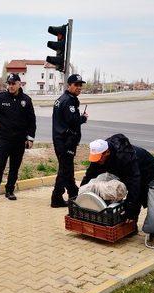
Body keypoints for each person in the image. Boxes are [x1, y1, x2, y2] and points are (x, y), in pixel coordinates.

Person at [0, 73, 36, 203]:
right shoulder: (1, 98)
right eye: (9, 83)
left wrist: (30, 138)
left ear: (19, 84)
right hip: (5, 139)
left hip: (20, 140)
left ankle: (10, 190)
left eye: (13, 83)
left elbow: (31, 121)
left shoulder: (26, 100)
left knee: (14, 167)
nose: (11, 86)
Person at [80, 134, 154, 221]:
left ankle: (132, 223)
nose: (97, 161)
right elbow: (90, 173)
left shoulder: (124, 156)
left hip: (146, 167)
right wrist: (81, 192)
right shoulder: (100, 154)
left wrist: (130, 208)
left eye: (99, 158)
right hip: (127, 168)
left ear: (107, 152)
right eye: (95, 158)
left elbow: (134, 183)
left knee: (139, 194)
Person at [51, 74, 89, 207]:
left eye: (80, 85)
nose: (79, 87)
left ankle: (73, 194)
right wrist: (83, 118)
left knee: (67, 169)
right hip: (65, 141)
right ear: (69, 85)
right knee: (64, 170)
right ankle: (56, 197)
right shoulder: (68, 101)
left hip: (61, 139)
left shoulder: (64, 99)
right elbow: (72, 121)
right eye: (76, 85)